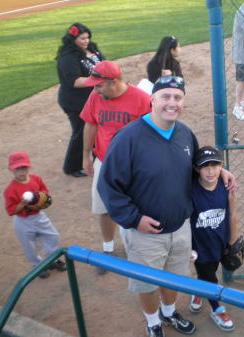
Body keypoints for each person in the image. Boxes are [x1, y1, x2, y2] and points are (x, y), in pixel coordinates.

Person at [97, 76, 236, 337]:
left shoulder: (184, 133)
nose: (172, 103)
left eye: (177, 97)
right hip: (145, 232)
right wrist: (133, 218)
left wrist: (221, 171)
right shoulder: (128, 138)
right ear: (152, 99)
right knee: (147, 284)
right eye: (165, 96)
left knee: (174, 277)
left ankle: (169, 312)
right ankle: (153, 322)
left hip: (181, 226)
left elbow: (197, 168)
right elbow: (108, 186)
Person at [80, 60, 151, 274]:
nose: (95, 90)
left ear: (113, 82)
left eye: (99, 85)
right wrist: (86, 155)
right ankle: (108, 249)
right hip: (104, 160)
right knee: (104, 208)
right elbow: (91, 123)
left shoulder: (141, 99)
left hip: (132, 165)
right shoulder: (95, 97)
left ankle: (135, 252)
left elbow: (152, 133)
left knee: (135, 208)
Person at [188, 146, 239, 332]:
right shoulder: (191, 190)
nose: (210, 171)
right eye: (205, 166)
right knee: (210, 275)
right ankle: (217, 308)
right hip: (199, 245)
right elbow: (185, 220)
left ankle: (198, 290)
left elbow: (232, 214)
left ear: (221, 166)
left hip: (220, 241)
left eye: (214, 165)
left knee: (210, 270)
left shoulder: (226, 187)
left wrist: (232, 240)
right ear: (196, 168)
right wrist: (187, 247)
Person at [3, 152, 67, 279]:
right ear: (11, 169)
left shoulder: (36, 179)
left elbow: (45, 192)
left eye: (23, 168)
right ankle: (37, 265)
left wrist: (40, 199)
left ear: (28, 167)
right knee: (29, 246)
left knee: (53, 236)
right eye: (17, 169)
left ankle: (52, 259)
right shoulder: (10, 189)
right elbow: (12, 211)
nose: (21, 171)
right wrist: (22, 203)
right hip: (23, 221)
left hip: (39, 216)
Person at [56, 23, 104, 178]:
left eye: (87, 37)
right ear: (73, 38)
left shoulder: (92, 48)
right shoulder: (67, 56)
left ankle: (100, 159)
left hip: (93, 98)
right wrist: (98, 79)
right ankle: (71, 167)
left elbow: (104, 64)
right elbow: (74, 81)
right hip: (75, 101)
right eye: (82, 38)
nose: (86, 41)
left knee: (98, 129)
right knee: (81, 132)